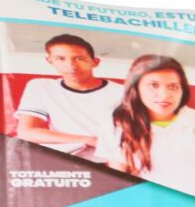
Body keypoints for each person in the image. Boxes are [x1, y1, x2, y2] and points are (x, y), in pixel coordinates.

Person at [97, 54, 195, 206]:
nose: (165, 95)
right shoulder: (117, 125)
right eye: (153, 85)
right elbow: (119, 185)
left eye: (173, 86)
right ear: (135, 87)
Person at [14, 33, 124, 163]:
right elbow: (26, 132)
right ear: (50, 61)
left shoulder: (122, 92)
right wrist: (89, 140)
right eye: (61, 58)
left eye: (79, 59)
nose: (71, 66)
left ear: (95, 62)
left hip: (113, 162)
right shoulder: (40, 86)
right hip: (66, 164)